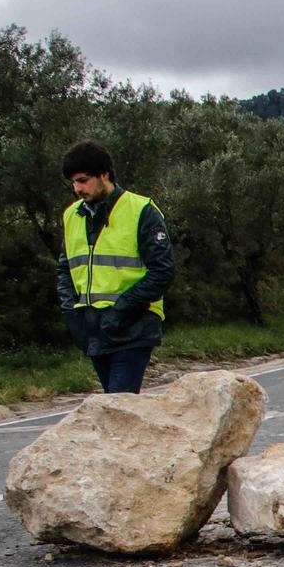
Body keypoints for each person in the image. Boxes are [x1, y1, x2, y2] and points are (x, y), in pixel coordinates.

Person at [56, 140, 173, 394]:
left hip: (134, 326)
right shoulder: (71, 215)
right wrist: (72, 316)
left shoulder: (141, 210)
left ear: (104, 174)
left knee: (118, 403)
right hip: (93, 329)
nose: (77, 188)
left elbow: (162, 271)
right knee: (117, 411)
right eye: (74, 182)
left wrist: (121, 311)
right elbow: (64, 270)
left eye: (83, 180)